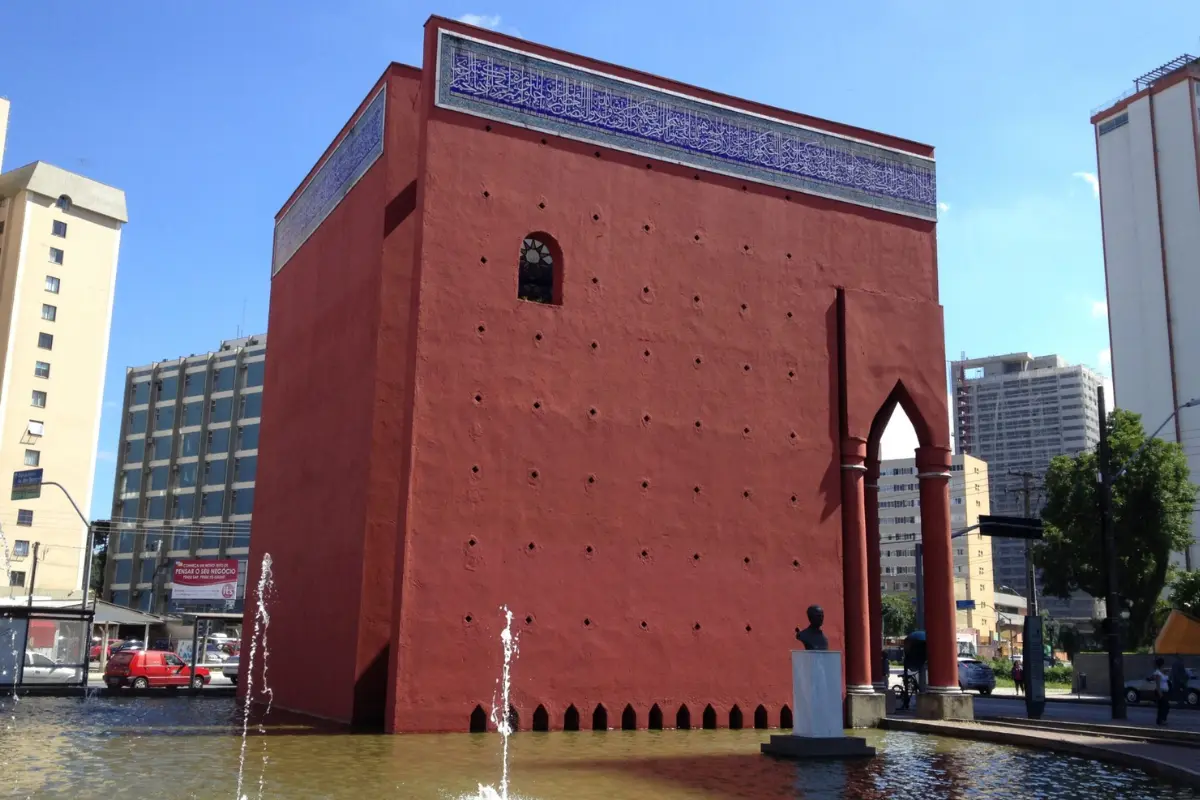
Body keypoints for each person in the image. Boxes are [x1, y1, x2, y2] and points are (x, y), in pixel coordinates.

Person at [1153, 657, 1171, 726]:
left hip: (1165, 691)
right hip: (1161, 692)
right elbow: (1158, 685)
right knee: (1164, 707)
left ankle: (1161, 720)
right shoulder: (1158, 673)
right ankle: (1161, 720)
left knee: (1164, 707)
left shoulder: (1161, 672)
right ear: (1162, 664)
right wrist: (1160, 694)